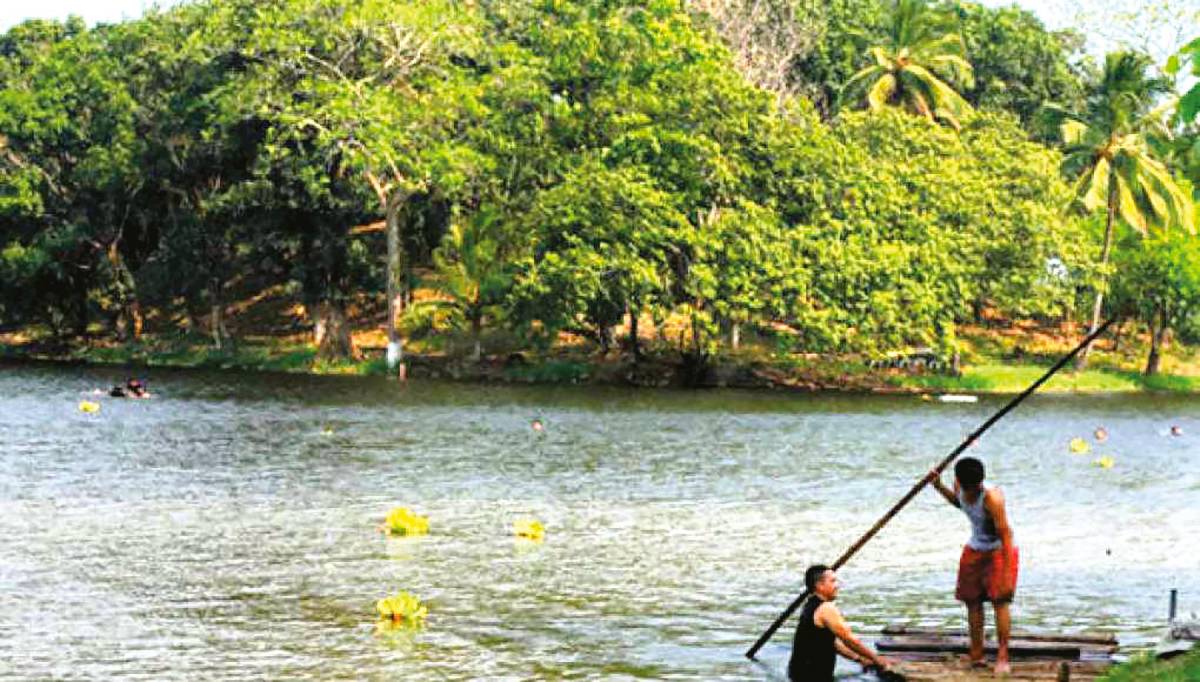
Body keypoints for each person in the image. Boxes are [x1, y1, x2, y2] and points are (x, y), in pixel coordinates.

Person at [927, 458, 1018, 674]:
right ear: (959, 481)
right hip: (975, 547)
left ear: (981, 482)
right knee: (972, 601)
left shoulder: (992, 498)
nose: (971, 492)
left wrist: (1006, 571)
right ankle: (976, 654)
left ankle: (1003, 656)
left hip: (998, 549)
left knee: (1000, 601)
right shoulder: (960, 486)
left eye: (975, 488)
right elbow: (960, 503)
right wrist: (938, 486)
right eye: (968, 488)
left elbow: (1006, 534)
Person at [788, 564, 896, 681]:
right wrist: (878, 660)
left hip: (798, 673)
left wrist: (859, 659)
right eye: (833, 581)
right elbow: (849, 640)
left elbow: (831, 643)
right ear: (820, 585)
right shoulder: (826, 608)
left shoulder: (809, 606)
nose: (837, 586)